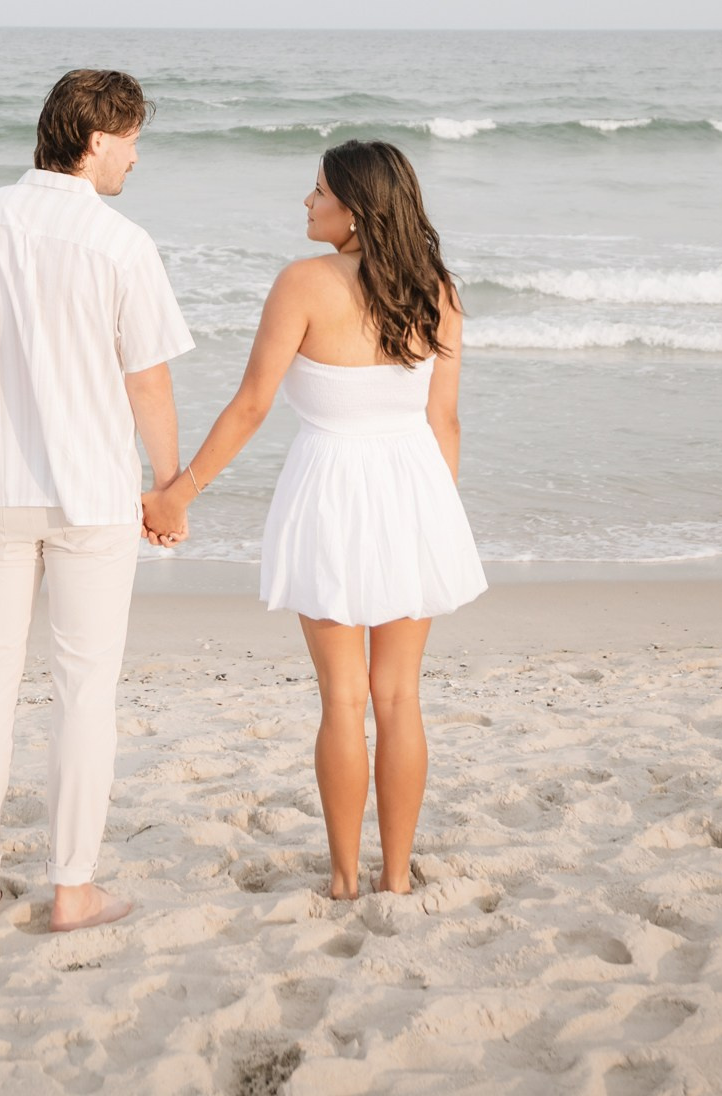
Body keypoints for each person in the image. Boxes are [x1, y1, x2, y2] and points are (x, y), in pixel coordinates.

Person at [140, 139, 485, 901]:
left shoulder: (303, 283)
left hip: (331, 491)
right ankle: (396, 877)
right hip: (415, 492)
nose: (306, 201)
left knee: (344, 698)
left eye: (318, 190)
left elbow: (253, 405)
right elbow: (446, 423)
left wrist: (177, 493)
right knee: (399, 697)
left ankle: (342, 880)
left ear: (355, 208)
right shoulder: (439, 289)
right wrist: (434, 518)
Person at [0, 66, 192, 929]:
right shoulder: (121, 243)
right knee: (84, 691)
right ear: (95, 139)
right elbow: (146, 381)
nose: (136, 159)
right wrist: (169, 486)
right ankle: (72, 889)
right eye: (132, 141)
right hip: (93, 496)